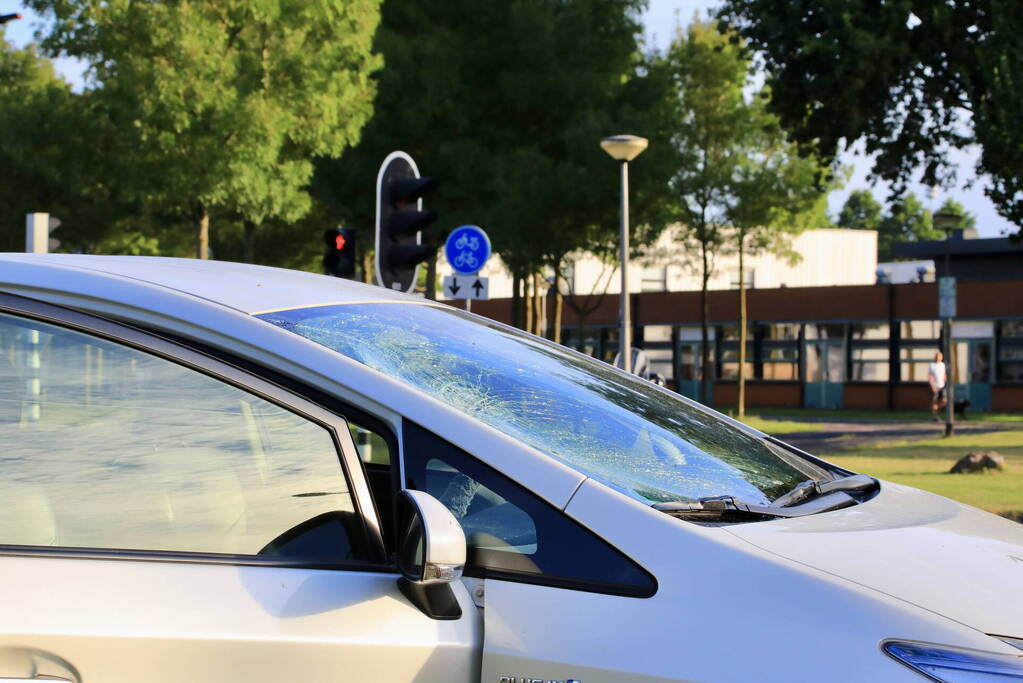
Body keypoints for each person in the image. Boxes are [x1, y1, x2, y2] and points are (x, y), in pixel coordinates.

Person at [928, 351, 947, 421]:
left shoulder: (943, 365)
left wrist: (946, 383)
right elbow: (930, 376)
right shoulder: (932, 365)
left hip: (942, 386)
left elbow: (944, 375)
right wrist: (932, 386)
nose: (938, 358)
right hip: (935, 386)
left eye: (940, 356)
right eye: (937, 356)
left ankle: (937, 414)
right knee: (935, 401)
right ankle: (935, 416)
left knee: (944, 401)